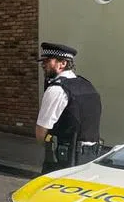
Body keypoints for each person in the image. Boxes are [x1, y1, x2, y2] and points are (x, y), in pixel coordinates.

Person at [35, 42, 103, 174]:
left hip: (63, 159)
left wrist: (49, 146)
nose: (43, 65)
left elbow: (41, 130)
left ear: (63, 63)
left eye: (48, 61)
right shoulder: (87, 85)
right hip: (90, 157)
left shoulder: (57, 89)